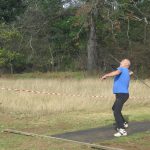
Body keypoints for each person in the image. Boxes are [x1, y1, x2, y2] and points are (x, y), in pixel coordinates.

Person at [101, 59, 133, 137]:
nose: (120, 62)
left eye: (122, 61)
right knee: (114, 108)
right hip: (122, 94)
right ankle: (124, 123)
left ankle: (122, 130)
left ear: (125, 64)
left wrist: (106, 75)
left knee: (116, 112)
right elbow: (129, 72)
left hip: (122, 94)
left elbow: (116, 72)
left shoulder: (122, 69)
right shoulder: (127, 71)